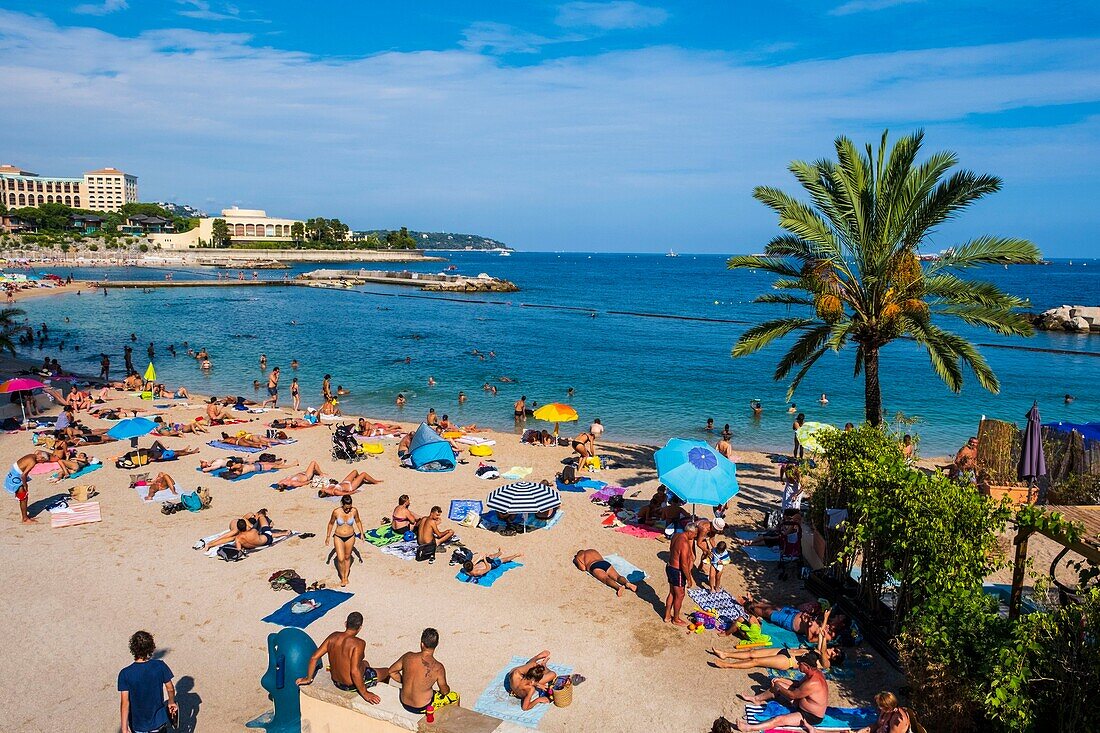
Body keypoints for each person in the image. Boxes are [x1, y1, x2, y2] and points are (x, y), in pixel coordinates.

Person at [710, 610, 844, 671]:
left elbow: (823, 648)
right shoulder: (821, 651)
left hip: (789, 661)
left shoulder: (825, 664)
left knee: (756, 661)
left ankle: (727, 665)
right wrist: (826, 618)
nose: (832, 651)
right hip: (786, 651)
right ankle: (725, 654)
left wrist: (826, 645)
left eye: (834, 653)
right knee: (753, 653)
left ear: (833, 658)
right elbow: (821, 634)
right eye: (834, 650)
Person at [297, 612, 387, 704]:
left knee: (365, 663)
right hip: (351, 686)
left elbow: (314, 657)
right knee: (387, 671)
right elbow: (354, 671)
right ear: (360, 627)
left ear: (345, 624)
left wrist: (308, 678)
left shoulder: (333, 636)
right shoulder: (359, 643)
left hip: (336, 682)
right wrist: (365, 693)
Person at [734, 654, 830, 731]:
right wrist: (780, 680)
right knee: (778, 684)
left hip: (810, 716)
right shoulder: (813, 673)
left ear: (807, 666)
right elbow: (798, 684)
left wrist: (779, 687)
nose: (797, 663)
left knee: (779, 720)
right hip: (802, 702)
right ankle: (757, 699)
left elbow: (793, 695)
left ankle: (749, 728)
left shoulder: (813, 683)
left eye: (800, 662)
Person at [118, 631, 177, 733]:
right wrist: (171, 702)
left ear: (132, 648)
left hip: (139, 725)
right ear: (151, 647)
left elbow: (125, 702)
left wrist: (124, 728)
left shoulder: (125, 674)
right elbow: (170, 688)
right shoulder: (160, 666)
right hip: (159, 722)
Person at [386, 628, 450, 715]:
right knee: (454, 697)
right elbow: (444, 691)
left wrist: (405, 681)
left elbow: (391, 672)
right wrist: (447, 689)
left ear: (422, 644)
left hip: (404, 702)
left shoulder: (407, 656)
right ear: (436, 645)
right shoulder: (438, 667)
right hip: (423, 706)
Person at [664, 522, 698, 625]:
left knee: (672, 592)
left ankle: (667, 616)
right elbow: (683, 564)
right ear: (690, 532)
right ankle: (676, 619)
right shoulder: (684, 543)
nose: (695, 536)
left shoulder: (676, 535)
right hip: (677, 571)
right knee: (680, 595)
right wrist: (689, 578)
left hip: (669, 566)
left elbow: (671, 549)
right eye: (695, 534)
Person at [328, 495, 364, 587]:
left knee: (347, 557)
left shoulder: (354, 511)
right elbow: (331, 523)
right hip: (338, 536)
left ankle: (345, 577)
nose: (348, 510)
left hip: (350, 536)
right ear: (342, 504)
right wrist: (328, 536)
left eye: (349, 507)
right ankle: (342, 577)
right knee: (340, 558)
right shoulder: (336, 512)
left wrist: (361, 533)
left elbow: (358, 521)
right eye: (346, 508)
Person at [855, 691, 919, 733]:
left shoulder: (898, 720)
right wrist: (865, 730)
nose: (878, 707)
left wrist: (878, 730)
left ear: (887, 706)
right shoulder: (885, 711)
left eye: (880, 705)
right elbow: (878, 724)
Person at [5, 452, 42, 524]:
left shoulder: (33, 455)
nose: (42, 463)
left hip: (14, 474)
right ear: (41, 458)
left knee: (23, 497)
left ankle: (25, 517)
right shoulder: (33, 461)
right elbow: (23, 475)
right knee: (23, 497)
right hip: (16, 478)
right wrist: (25, 485)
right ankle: (25, 519)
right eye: (42, 462)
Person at [316, 468, 381, 496]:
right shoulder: (335, 492)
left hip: (344, 482)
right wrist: (354, 491)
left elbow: (323, 484)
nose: (322, 488)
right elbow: (345, 494)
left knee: (355, 471)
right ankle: (375, 482)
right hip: (350, 487)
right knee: (363, 474)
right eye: (322, 489)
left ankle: (360, 480)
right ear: (323, 491)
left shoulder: (327, 489)